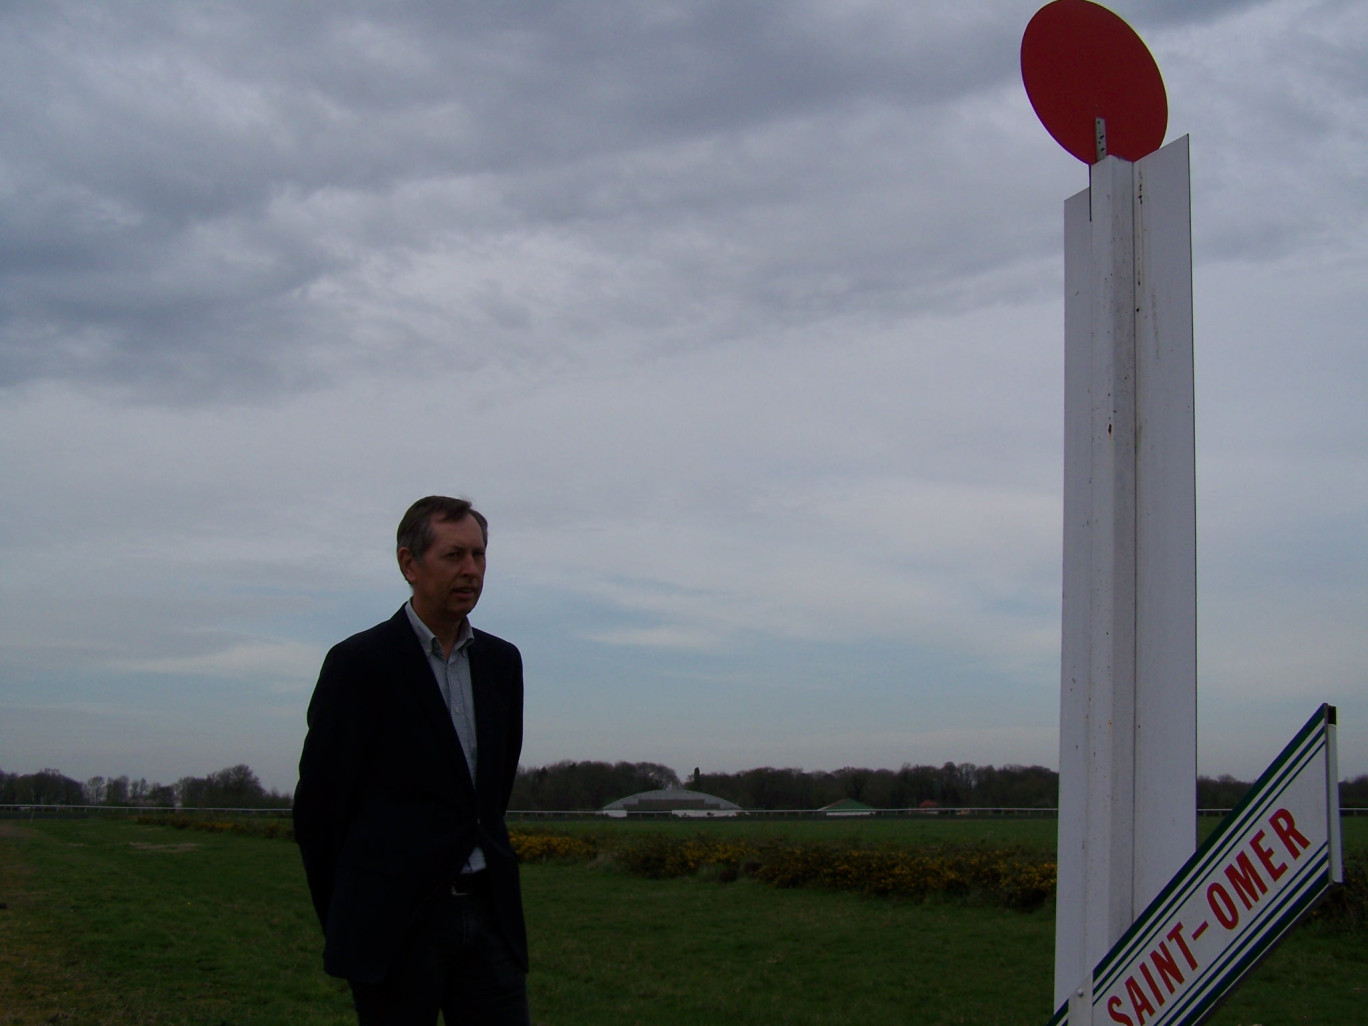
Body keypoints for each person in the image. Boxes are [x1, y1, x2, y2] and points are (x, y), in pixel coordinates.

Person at [294, 496, 529, 1025]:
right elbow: (320, 810)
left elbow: (489, 795)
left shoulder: (502, 662)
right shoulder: (359, 665)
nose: (471, 570)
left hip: (489, 919)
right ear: (408, 564)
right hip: (396, 928)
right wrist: (352, 920)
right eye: (453, 556)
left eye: (479, 555)